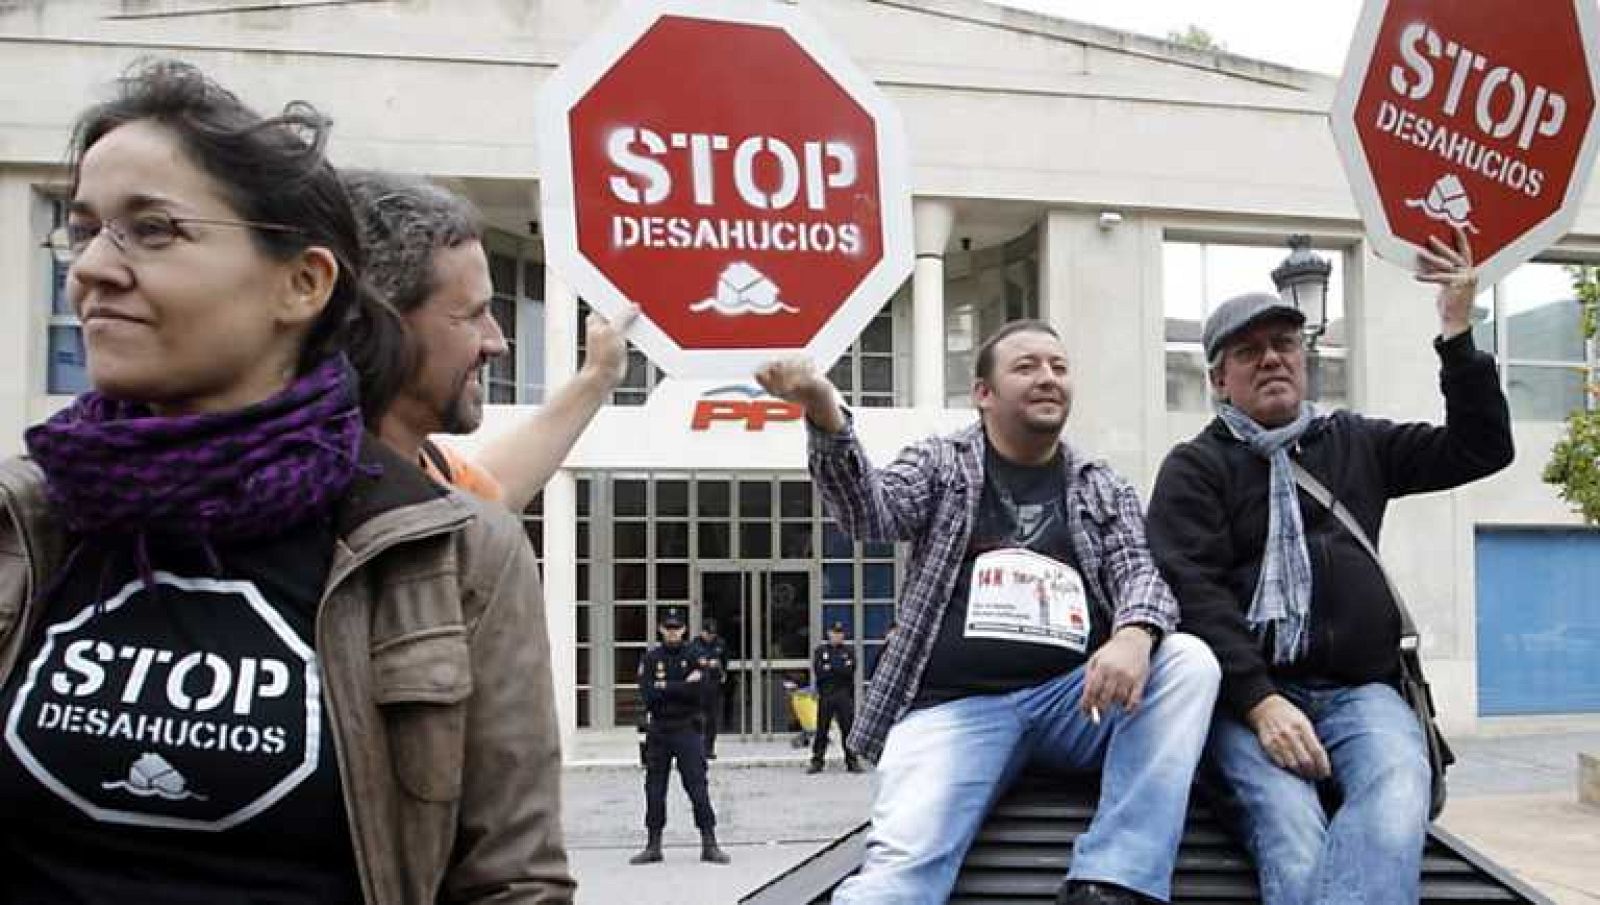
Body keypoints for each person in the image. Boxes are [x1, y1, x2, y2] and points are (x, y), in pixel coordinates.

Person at [0, 60, 571, 904]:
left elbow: (511, 885)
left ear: (302, 283)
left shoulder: (451, 556)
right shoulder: (24, 519)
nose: (90, 269)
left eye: (153, 229)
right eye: (84, 229)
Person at [756, 320, 1221, 905]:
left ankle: (1115, 877)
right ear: (983, 393)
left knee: (1187, 660)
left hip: (1076, 704)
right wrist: (826, 412)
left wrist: (1134, 633)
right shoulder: (942, 464)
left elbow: (1139, 573)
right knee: (901, 873)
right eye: (1026, 367)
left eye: (1058, 366)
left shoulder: (1102, 485)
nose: (1047, 378)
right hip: (955, 713)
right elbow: (870, 514)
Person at [1145, 229, 1513, 905]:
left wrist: (1457, 329)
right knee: (1291, 826)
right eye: (1248, 352)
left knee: (1399, 785)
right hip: (1243, 701)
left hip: (1361, 694)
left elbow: (1481, 448)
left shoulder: (1356, 441)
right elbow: (1192, 595)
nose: (1272, 360)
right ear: (1218, 379)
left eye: (1285, 345)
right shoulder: (1194, 468)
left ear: (1305, 360)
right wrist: (1261, 702)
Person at [342, 169, 634, 510]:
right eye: (471, 315)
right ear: (380, 323)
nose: (497, 343)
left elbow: (493, 494)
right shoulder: (311, 516)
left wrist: (598, 376)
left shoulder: (428, 474)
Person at [629, 610, 730, 866]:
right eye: (668, 627)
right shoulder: (651, 658)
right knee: (654, 789)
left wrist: (668, 687)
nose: (672, 632)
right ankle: (653, 845)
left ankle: (709, 843)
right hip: (660, 730)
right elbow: (649, 694)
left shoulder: (694, 655)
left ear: (684, 629)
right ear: (661, 629)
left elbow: (703, 692)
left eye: (677, 627)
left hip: (688, 728)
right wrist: (682, 686)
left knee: (697, 787)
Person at [808, 621, 862, 774]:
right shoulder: (820, 651)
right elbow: (820, 672)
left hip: (843, 694)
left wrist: (831, 666)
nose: (837, 636)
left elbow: (849, 671)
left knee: (848, 729)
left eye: (840, 633)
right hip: (826, 694)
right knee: (822, 729)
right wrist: (837, 667)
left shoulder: (849, 650)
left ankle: (852, 761)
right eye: (835, 633)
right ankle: (817, 761)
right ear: (828, 633)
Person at [685, 617, 729, 760]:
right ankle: (696, 747)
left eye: (713, 634)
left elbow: (724, 660)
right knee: (697, 718)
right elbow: (692, 662)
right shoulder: (694, 645)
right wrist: (706, 663)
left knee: (712, 719)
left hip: (714, 685)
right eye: (708, 633)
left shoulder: (720, 643)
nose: (711, 636)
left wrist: (721, 671)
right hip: (698, 687)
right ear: (702, 632)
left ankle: (709, 748)